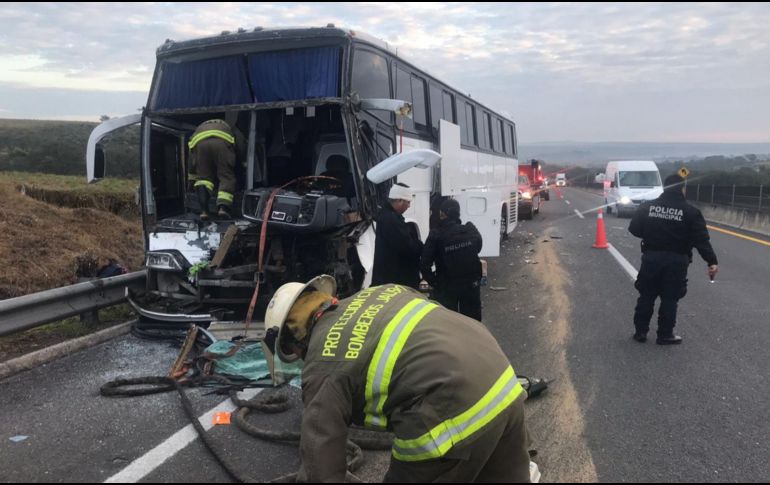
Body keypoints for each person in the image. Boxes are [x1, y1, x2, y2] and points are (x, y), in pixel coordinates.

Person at [263, 276, 532, 483]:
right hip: (503, 381)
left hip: (452, 410)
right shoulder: (381, 291)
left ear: (294, 342)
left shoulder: (323, 362)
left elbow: (321, 458)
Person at [629, 173, 719, 344]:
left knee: (646, 295)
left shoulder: (648, 206)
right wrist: (711, 261)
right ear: (683, 189)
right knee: (670, 298)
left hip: (651, 257)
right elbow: (702, 241)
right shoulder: (691, 212)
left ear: (664, 187)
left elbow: (634, 229)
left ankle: (640, 332)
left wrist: (651, 235)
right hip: (677, 261)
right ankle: (665, 335)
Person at [421, 198, 484, 320]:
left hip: (447, 287)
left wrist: (435, 283)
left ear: (442, 214)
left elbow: (424, 264)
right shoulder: (470, 229)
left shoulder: (436, 234)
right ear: (458, 214)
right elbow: (478, 247)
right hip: (471, 285)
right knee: (473, 324)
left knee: (448, 325)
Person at [371, 183, 423, 289]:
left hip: (386, 278)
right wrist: (420, 245)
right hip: (394, 282)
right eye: (408, 202)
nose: (409, 206)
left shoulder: (386, 215)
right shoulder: (391, 220)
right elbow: (407, 247)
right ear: (399, 201)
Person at [189, 119, 237, 220]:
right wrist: (244, 163)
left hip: (200, 145)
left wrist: (191, 178)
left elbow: (191, 157)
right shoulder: (227, 127)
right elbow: (241, 145)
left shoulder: (199, 129)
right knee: (226, 177)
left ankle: (204, 211)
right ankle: (222, 208)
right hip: (222, 144)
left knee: (203, 179)